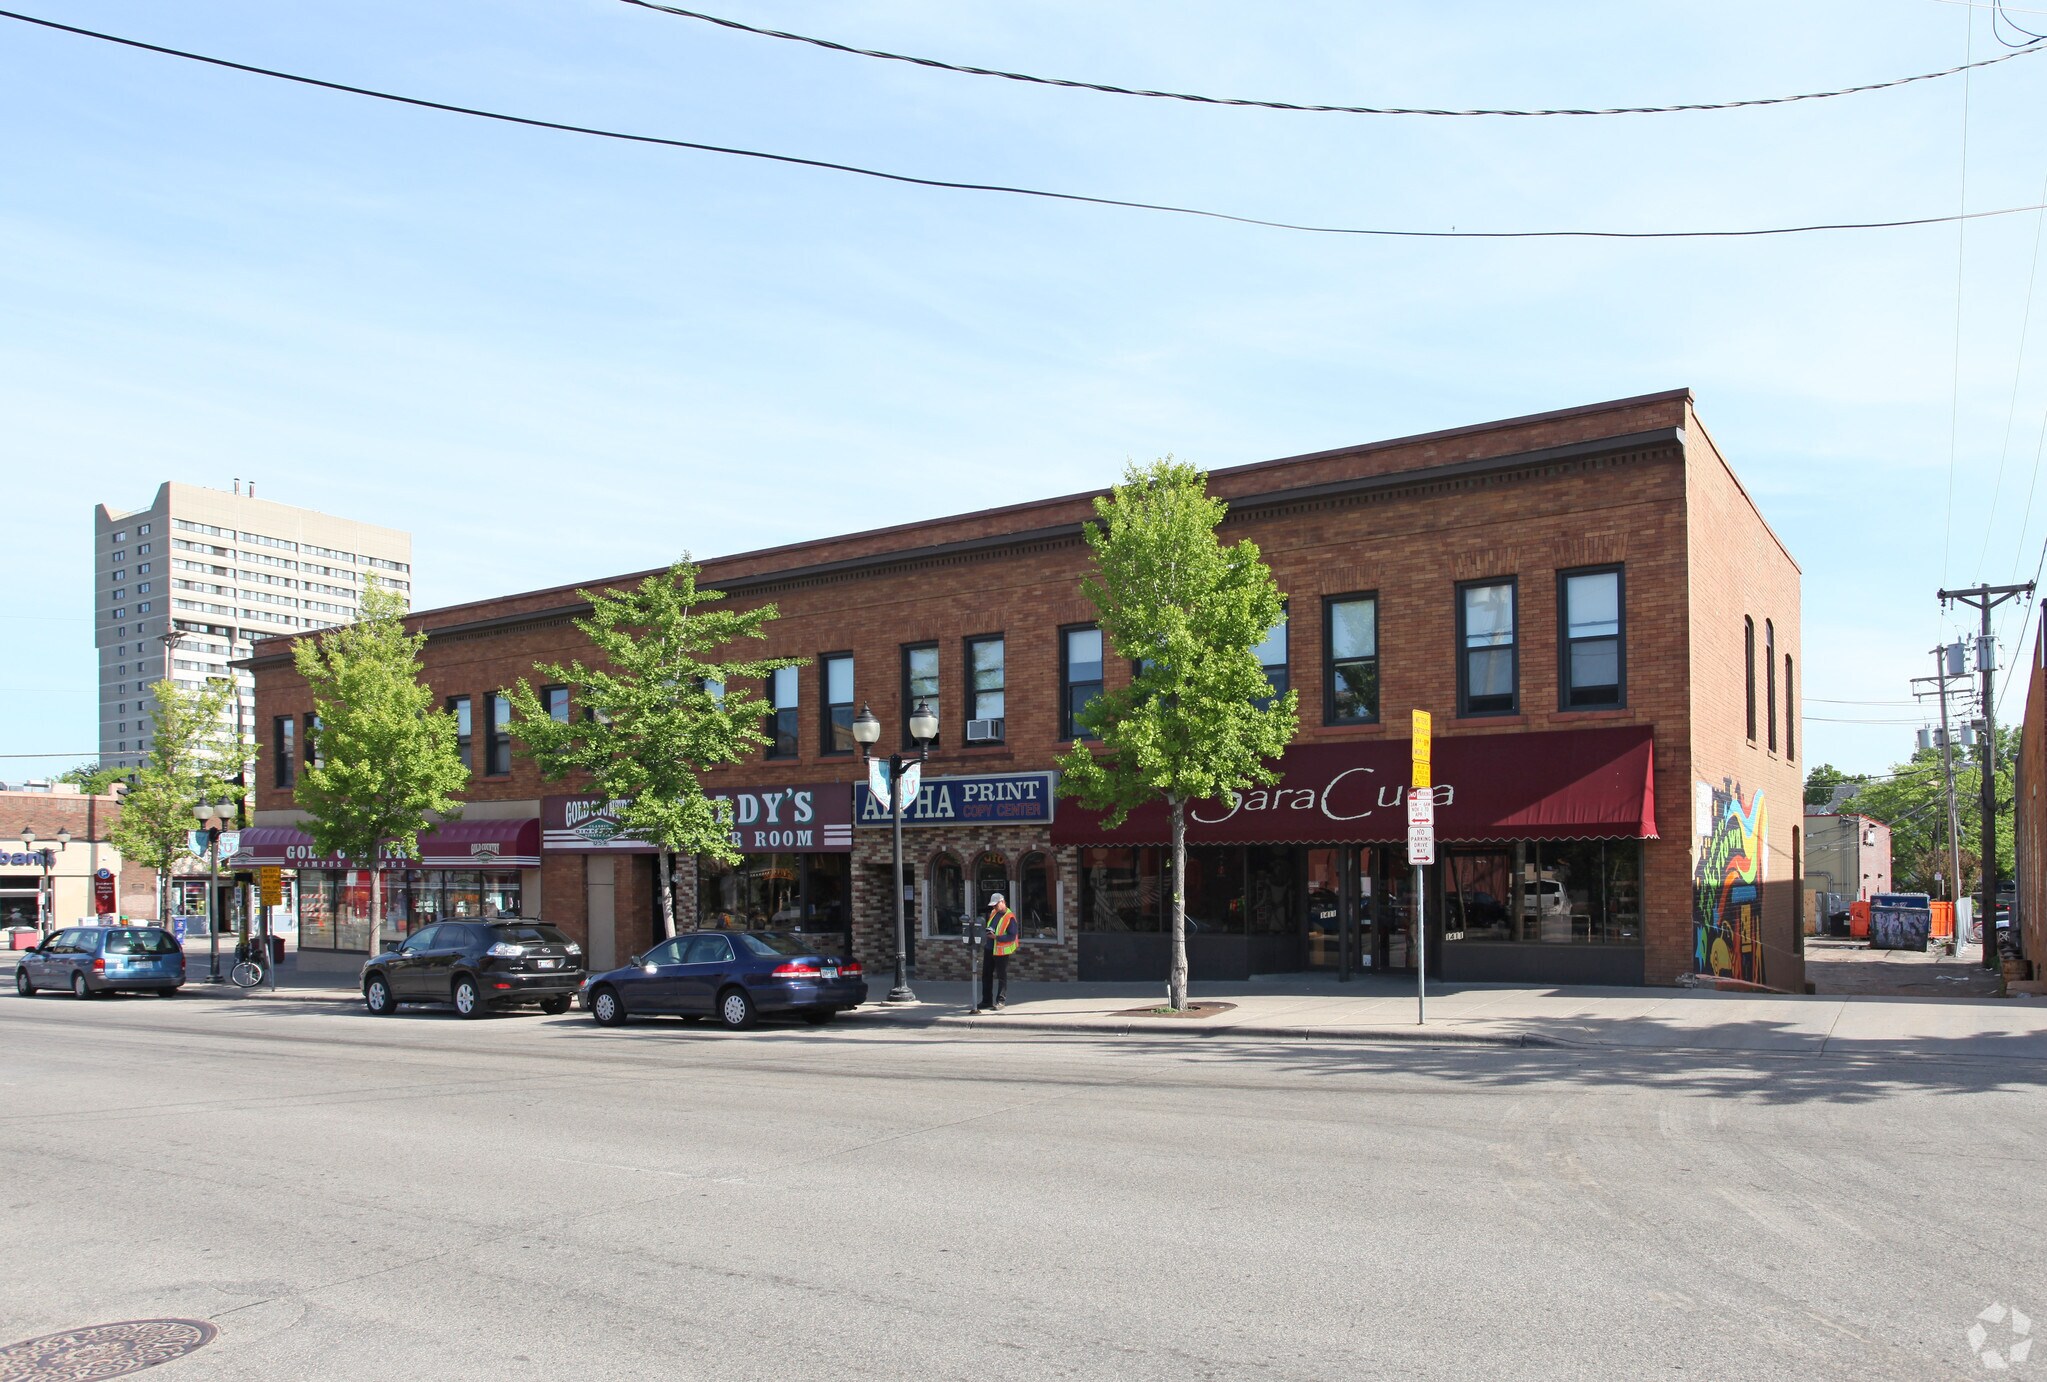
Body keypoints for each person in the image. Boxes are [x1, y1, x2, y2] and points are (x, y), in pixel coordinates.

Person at [979, 891, 1018, 1012]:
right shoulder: (994, 913)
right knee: (986, 975)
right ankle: (986, 1001)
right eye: (993, 905)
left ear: (1002, 902)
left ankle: (1001, 1001)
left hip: (1001, 951)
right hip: (989, 948)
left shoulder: (1010, 917)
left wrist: (996, 937)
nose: (994, 907)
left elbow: (1012, 936)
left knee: (1001, 976)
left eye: (996, 905)